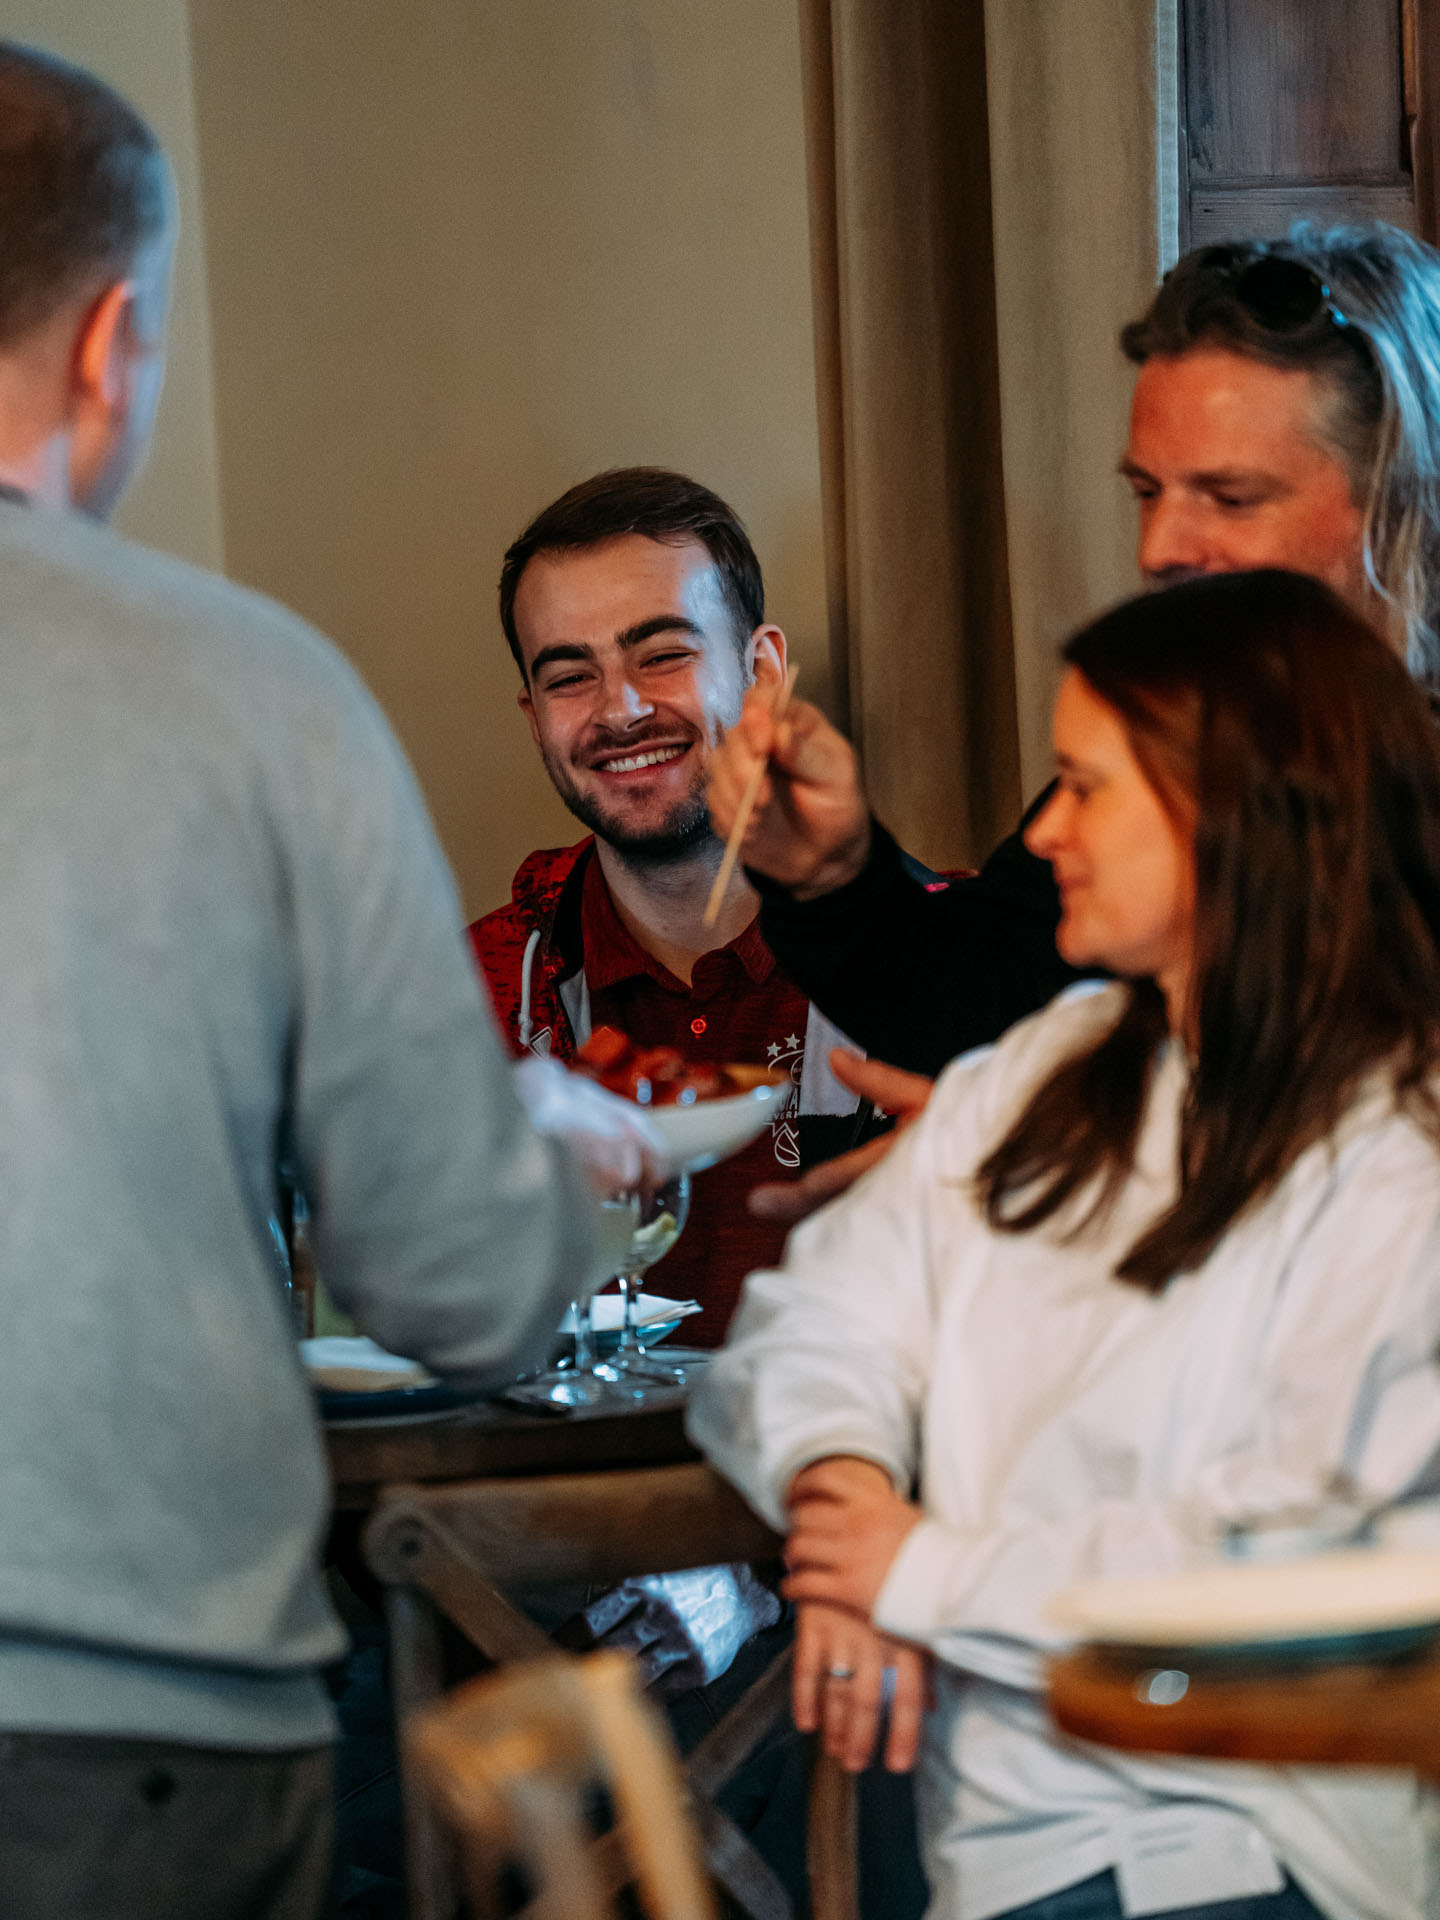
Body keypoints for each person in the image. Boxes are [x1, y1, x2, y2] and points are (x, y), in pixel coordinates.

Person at [0, 43, 649, 1920]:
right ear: (111, 342)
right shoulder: (246, 694)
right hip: (123, 1716)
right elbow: (457, 1283)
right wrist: (535, 1154)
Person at [692, 568, 1440, 1920]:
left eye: (1087, 789)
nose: (1045, 837)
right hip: (1003, 1837)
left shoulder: (1396, 1150)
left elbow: (1294, 1565)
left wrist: (921, 1574)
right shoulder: (1048, 1071)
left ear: (1237, 814)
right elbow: (820, 1321)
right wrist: (842, 1489)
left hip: (1249, 1844)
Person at [709, 223, 1440, 1206]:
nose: (1162, 548)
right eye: (1146, 491)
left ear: (1405, 502)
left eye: (1230, 497)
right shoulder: (1171, 733)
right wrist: (831, 876)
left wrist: (1057, 1142)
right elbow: (985, 1007)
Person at [471, 466, 1069, 1336]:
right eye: (570, 676)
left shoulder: (960, 964)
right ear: (533, 717)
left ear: (764, 672)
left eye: (663, 654)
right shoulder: (473, 996)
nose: (621, 710)